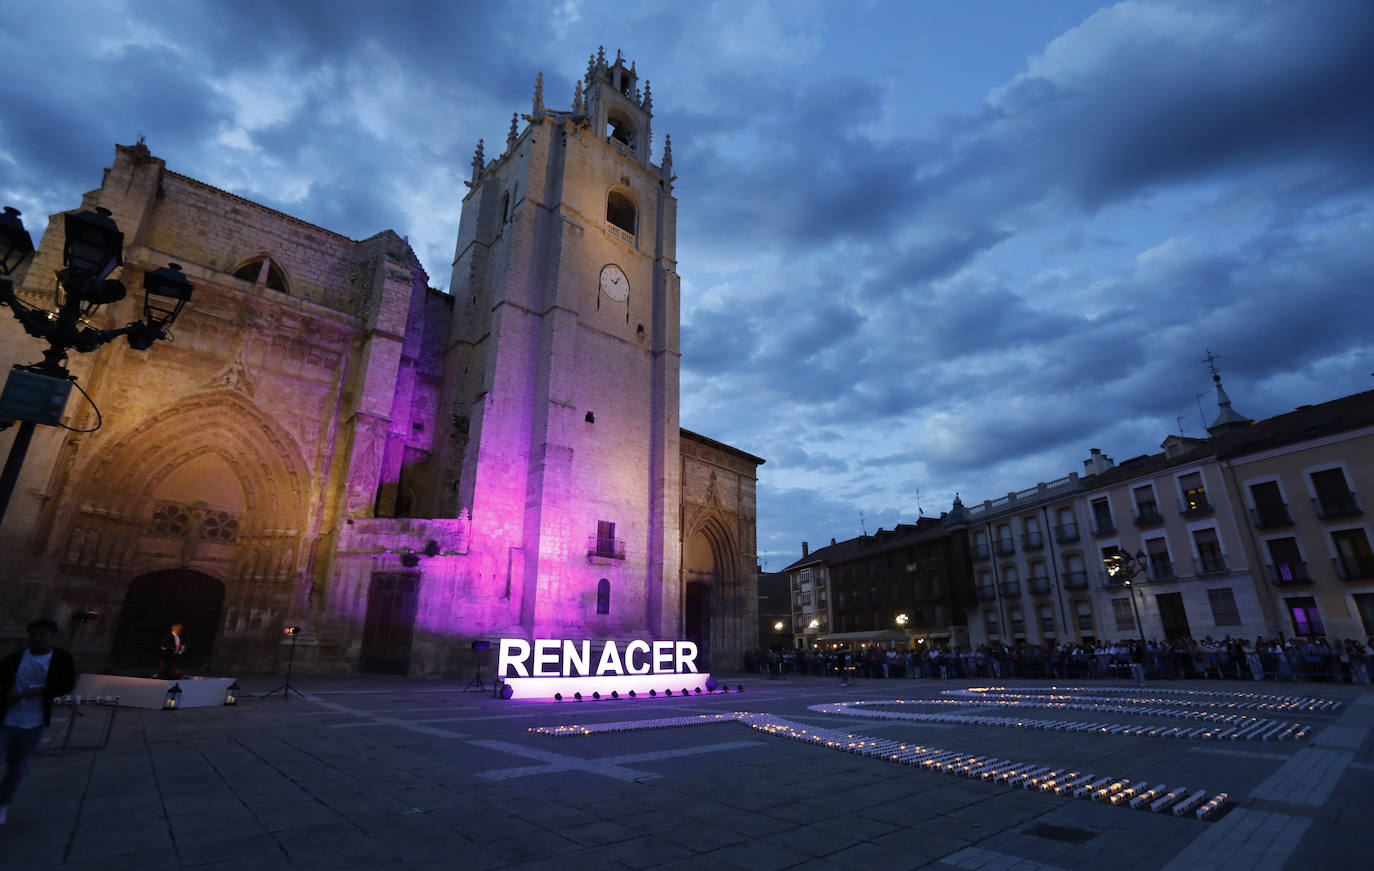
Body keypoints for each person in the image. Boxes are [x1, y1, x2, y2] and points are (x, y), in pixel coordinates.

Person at [1, 619, 78, 826]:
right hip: (7, 721)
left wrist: (38, 691)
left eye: (41, 634)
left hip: (33, 724)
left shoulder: (61, 659)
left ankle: (2, 805)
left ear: (51, 637)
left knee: (17, 769)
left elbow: (66, 683)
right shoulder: (12, 660)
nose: (36, 638)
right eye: (32, 634)